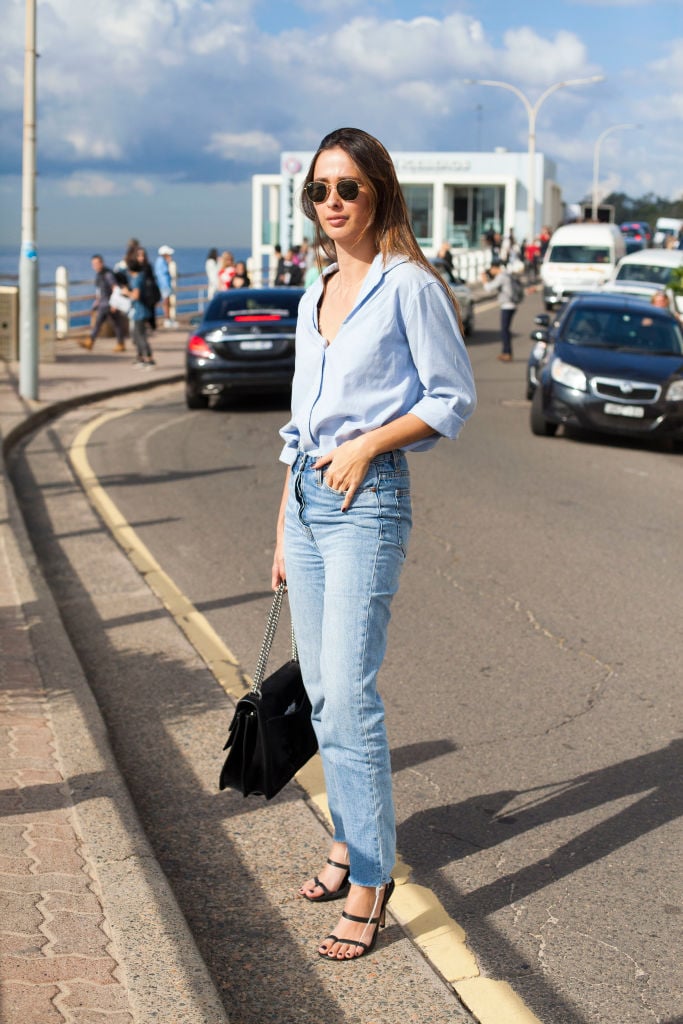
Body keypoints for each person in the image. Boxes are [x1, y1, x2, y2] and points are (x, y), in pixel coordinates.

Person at [271, 127, 476, 962]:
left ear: (380, 192)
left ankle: (370, 880)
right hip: (309, 504)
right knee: (321, 693)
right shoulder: (312, 291)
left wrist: (367, 445)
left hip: (368, 498)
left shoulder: (408, 288)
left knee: (349, 698)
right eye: (319, 190)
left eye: (348, 188)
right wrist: (282, 525)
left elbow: (450, 398)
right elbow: (297, 429)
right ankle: (348, 840)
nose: (332, 204)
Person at [79, 255, 127, 352]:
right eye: (94, 264)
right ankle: (119, 343)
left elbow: (115, 288)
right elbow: (99, 291)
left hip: (109, 303)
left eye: (97, 263)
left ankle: (91, 342)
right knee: (112, 323)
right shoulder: (99, 275)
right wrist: (96, 302)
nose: (95, 265)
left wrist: (114, 303)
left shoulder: (107, 274)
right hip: (103, 303)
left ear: (102, 263)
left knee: (108, 323)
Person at [480, 260, 523, 361]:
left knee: (505, 331)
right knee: (505, 330)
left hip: (507, 305)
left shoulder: (501, 277)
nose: (490, 271)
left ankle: (507, 353)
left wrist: (484, 280)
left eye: (491, 269)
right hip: (511, 305)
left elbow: (489, 288)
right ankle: (506, 352)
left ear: (495, 268)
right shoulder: (506, 275)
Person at [123, 254, 156, 368]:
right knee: (138, 336)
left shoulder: (136, 280)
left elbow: (136, 296)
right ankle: (141, 358)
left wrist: (127, 293)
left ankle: (149, 359)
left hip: (139, 312)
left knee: (140, 336)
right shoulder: (142, 276)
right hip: (143, 310)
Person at [154, 245, 177, 327]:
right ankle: (167, 320)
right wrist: (169, 262)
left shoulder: (160, 261)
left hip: (164, 284)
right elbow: (163, 273)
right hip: (164, 284)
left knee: (167, 302)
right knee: (166, 302)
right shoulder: (161, 261)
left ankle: (168, 319)